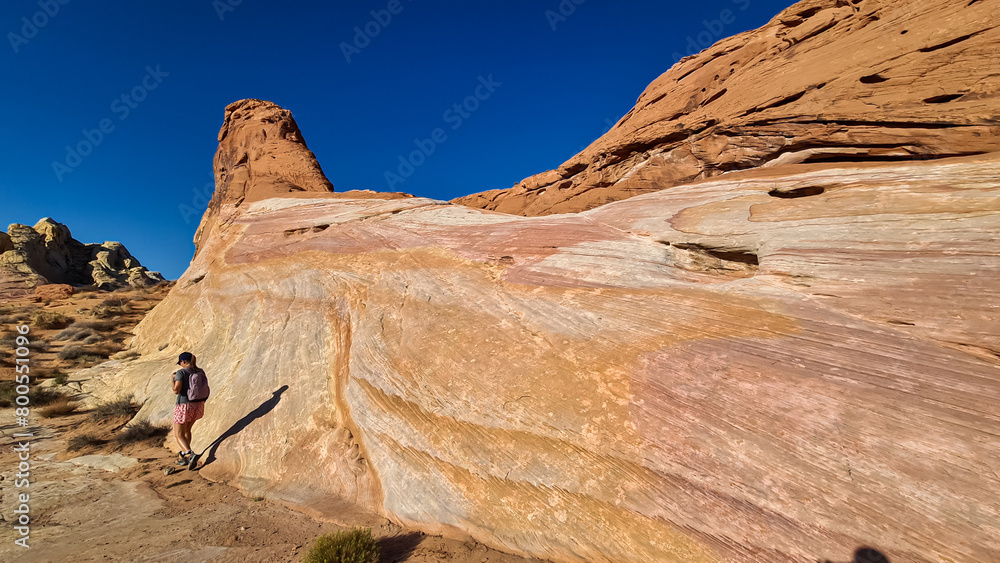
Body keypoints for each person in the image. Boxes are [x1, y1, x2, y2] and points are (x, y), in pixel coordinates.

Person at [172, 351, 206, 466]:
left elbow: (176, 390)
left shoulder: (181, 372)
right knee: (187, 430)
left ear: (183, 362)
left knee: (178, 434)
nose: (180, 365)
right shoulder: (200, 371)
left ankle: (188, 453)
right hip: (198, 404)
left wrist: (172, 380)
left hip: (184, 405)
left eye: (180, 363)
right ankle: (185, 456)